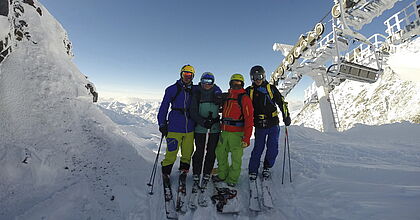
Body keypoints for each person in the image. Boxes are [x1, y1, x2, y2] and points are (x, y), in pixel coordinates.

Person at [246, 65, 291, 180]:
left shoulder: (271, 89)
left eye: (259, 76)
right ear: (251, 78)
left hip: (273, 124)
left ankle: (267, 166)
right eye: (254, 77)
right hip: (260, 125)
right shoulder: (249, 91)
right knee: (258, 148)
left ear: (264, 76)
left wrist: (286, 116)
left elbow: (281, 102)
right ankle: (253, 170)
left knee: (273, 148)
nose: (257, 80)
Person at [157, 64, 197, 182]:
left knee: (187, 151)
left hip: (190, 127)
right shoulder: (172, 89)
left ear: (193, 76)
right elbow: (164, 107)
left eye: (190, 75)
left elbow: (210, 89)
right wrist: (162, 124)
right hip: (174, 126)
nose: (187, 77)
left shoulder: (195, 89)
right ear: (181, 74)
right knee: (172, 151)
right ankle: (166, 171)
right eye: (185, 74)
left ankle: (184, 170)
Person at [214, 73, 254, 187]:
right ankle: (222, 174)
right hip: (224, 132)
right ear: (230, 84)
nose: (236, 85)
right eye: (234, 83)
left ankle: (232, 179)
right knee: (220, 154)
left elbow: (249, 119)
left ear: (242, 85)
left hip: (237, 134)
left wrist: (247, 138)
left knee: (236, 158)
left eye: (239, 83)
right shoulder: (227, 97)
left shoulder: (244, 98)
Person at [189, 72, 222, 190]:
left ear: (213, 82)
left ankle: (207, 171)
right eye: (205, 81)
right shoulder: (197, 93)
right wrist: (203, 122)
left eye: (210, 82)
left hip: (214, 128)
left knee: (211, 151)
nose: (207, 84)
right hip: (200, 128)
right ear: (201, 81)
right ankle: (197, 172)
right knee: (199, 151)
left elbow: (223, 107)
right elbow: (192, 111)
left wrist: (217, 118)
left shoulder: (217, 92)